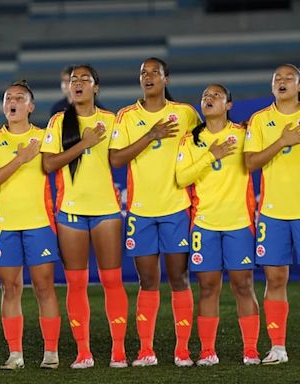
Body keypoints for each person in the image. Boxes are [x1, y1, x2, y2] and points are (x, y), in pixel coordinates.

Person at [109, 57, 201, 367]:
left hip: (177, 208)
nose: (148, 77)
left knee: (179, 278)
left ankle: (182, 350)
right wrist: (151, 135)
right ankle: (146, 350)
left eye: (154, 72)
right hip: (141, 211)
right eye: (143, 73)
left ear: (166, 79)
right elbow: (117, 159)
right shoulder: (126, 116)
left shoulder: (185, 114)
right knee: (147, 281)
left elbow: (206, 142)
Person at [41, 65, 128, 369]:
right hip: (71, 212)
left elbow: (120, 157)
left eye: (85, 80)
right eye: (73, 80)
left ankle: (118, 350)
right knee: (76, 284)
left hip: (106, 211)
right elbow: (49, 165)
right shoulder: (58, 122)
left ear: (96, 88)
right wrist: (84, 144)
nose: (78, 83)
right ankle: (83, 352)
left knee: (112, 281)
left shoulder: (112, 120)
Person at [176, 84, 260, 366]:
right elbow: (181, 177)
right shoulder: (190, 140)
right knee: (208, 288)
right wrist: (212, 155)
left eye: (216, 96)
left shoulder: (242, 134)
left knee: (243, 285)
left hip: (239, 223)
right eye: (204, 96)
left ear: (229, 105)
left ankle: (250, 350)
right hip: (205, 224)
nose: (208, 99)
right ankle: (207, 351)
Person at [0, 80, 61, 370]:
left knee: (44, 288)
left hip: (40, 223)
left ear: (31, 106)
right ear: (4, 106)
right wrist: (21, 159)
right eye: (8, 98)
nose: (13, 102)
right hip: (4, 226)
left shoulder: (45, 136)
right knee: (10, 288)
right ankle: (15, 354)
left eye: (19, 98)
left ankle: (50, 353)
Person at [244, 63, 300, 365]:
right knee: (276, 278)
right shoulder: (260, 120)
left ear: (298, 86)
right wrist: (282, 142)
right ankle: (278, 347)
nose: (282, 81)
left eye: (289, 78)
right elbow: (250, 163)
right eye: (277, 78)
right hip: (273, 212)